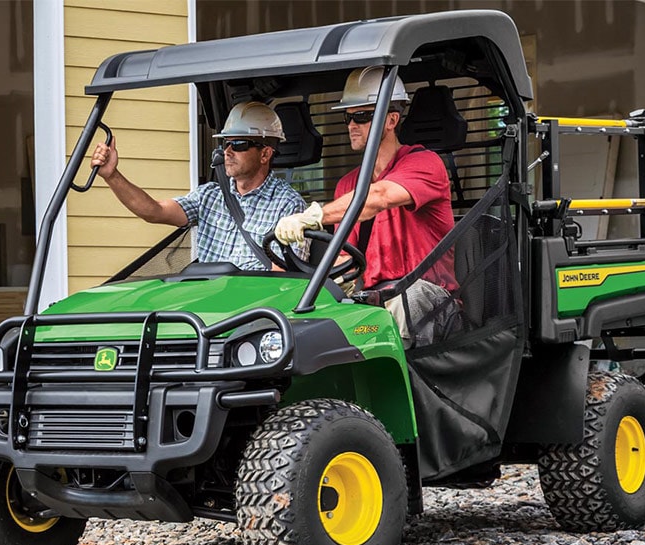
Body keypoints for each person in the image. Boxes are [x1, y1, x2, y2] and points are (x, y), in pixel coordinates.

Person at [275, 67, 457, 346]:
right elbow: (343, 254)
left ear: (391, 120)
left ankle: (403, 384)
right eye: (347, 117)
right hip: (373, 298)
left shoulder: (425, 164)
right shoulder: (347, 185)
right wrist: (336, 284)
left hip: (429, 297)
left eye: (361, 116)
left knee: (406, 300)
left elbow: (379, 197)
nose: (351, 125)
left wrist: (315, 215)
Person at [91, 101, 306, 271]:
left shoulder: (289, 206)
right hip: (204, 312)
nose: (228, 151)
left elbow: (286, 278)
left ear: (265, 154)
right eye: (225, 143)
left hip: (253, 315)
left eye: (239, 144)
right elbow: (155, 211)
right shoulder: (209, 196)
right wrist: (112, 176)